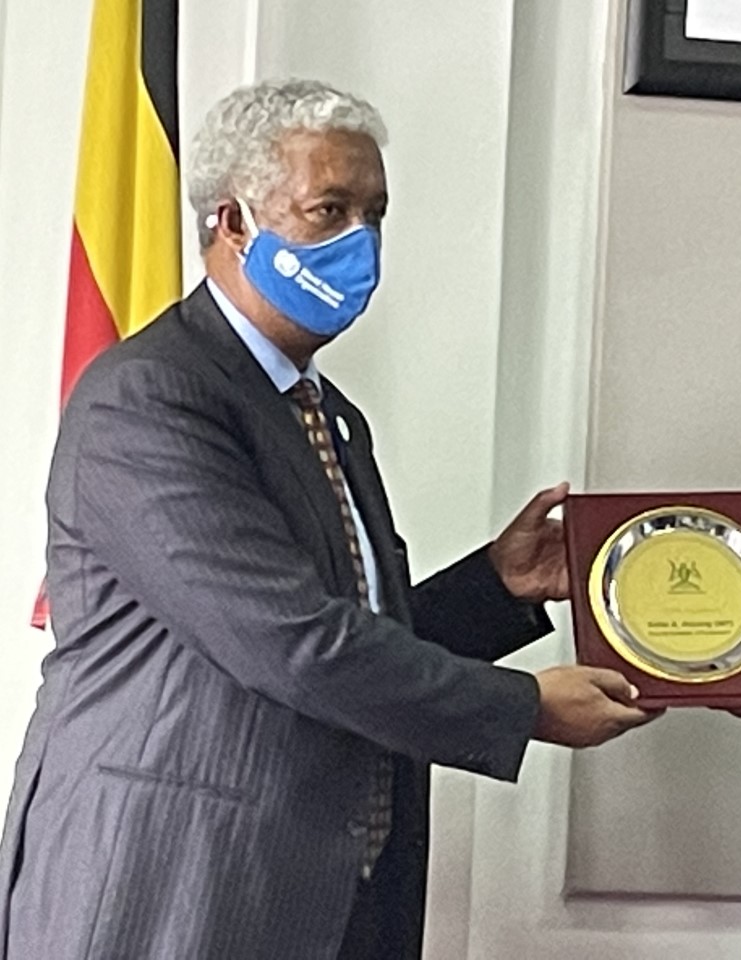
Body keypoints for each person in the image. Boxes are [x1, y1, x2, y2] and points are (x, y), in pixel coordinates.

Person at [0, 79, 656, 960]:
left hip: (330, 893)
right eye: (329, 210)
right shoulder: (150, 399)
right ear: (231, 223)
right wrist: (524, 707)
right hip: (177, 886)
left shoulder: (325, 411)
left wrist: (498, 586)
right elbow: (291, 644)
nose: (362, 243)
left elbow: (357, 638)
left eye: (375, 213)